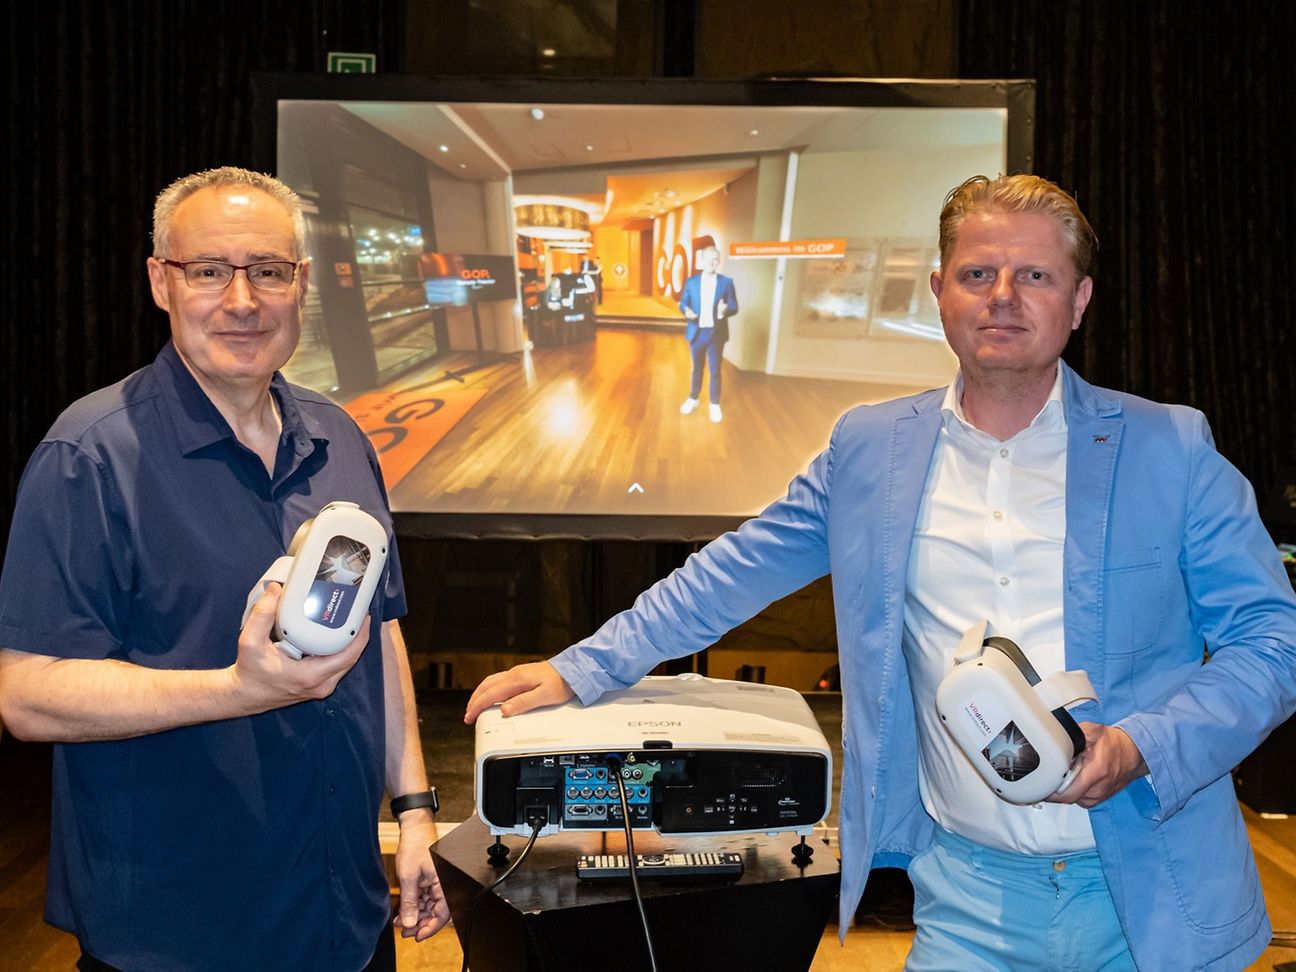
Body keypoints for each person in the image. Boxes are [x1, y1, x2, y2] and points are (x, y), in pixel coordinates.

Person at [465, 174, 1296, 971]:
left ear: (1079, 300)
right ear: (939, 291)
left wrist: (1142, 745)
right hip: (966, 893)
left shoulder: (1170, 448)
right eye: (978, 273)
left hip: (1151, 892)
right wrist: (583, 666)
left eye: (1036, 275)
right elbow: (731, 572)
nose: (1003, 295)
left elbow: (1274, 642)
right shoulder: (870, 450)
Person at [0, 167, 450, 971]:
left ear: (301, 282)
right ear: (160, 282)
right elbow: (27, 694)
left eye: (268, 271)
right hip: (176, 936)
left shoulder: (342, 439)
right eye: (208, 270)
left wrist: (414, 812)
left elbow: (379, 634)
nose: (242, 301)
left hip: (344, 920)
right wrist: (235, 690)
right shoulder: (89, 456)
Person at [677, 245, 739, 422]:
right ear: (702, 261)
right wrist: (686, 311)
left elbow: (734, 306)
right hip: (696, 333)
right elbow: (683, 303)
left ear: (718, 262)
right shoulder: (691, 282)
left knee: (715, 370)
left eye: (714, 259)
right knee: (696, 369)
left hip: (716, 334)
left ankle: (714, 404)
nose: (711, 263)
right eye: (708, 259)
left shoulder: (726, 282)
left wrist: (724, 310)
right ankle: (693, 399)